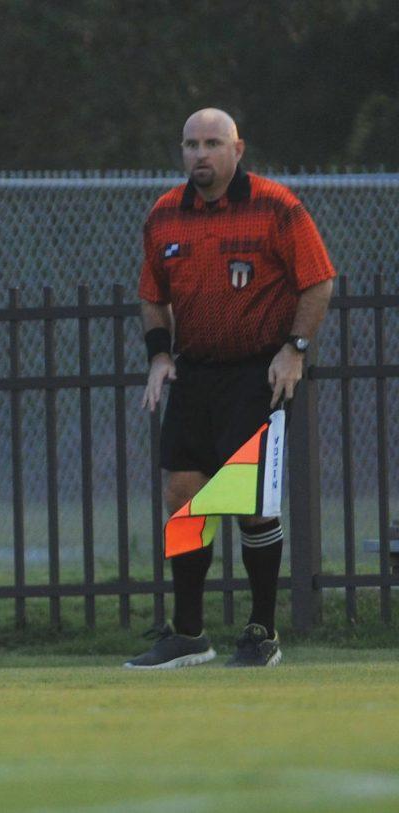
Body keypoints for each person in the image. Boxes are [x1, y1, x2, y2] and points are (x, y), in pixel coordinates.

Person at [127, 108, 335, 669]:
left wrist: (295, 350)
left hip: (256, 374)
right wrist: (160, 356)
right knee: (182, 498)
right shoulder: (165, 214)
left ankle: (261, 633)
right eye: (191, 144)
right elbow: (152, 293)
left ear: (237, 149)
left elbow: (318, 281)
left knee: (250, 505)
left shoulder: (276, 206)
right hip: (195, 376)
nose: (200, 154)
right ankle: (190, 636)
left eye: (212, 143)